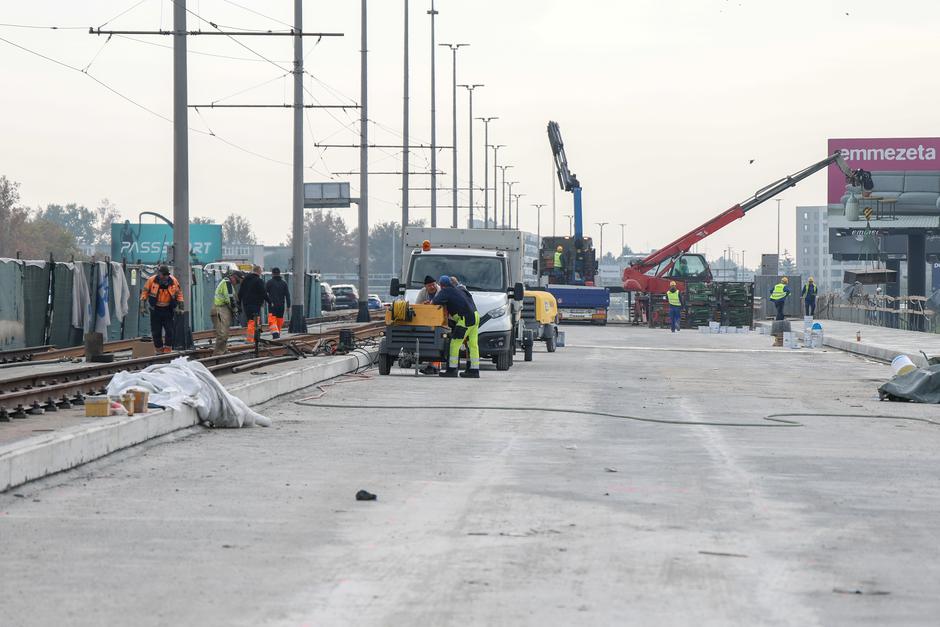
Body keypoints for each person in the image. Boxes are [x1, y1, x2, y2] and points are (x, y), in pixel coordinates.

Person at [432, 275, 480, 378]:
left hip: (465, 320)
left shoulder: (446, 291)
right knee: (472, 345)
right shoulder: (461, 289)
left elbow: (435, 302)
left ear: (441, 285)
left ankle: (452, 370)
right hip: (475, 317)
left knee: (454, 344)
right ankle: (474, 370)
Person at [140, 265, 184, 353]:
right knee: (156, 331)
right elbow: (144, 292)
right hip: (155, 310)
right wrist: (142, 306)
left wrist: (181, 307)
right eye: (163, 274)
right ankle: (159, 350)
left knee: (169, 330)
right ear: (159, 273)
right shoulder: (151, 280)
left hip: (168, 310)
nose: (165, 277)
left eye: (167, 275)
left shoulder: (173, 281)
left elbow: (179, 294)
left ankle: (167, 350)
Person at [211, 271, 243, 355]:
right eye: (237, 281)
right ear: (233, 277)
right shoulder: (227, 283)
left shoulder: (228, 284)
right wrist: (235, 309)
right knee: (222, 333)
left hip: (223, 309)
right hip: (220, 309)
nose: (237, 283)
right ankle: (218, 354)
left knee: (224, 332)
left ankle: (223, 350)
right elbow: (229, 298)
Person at [238, 265, 269, 343]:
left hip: (246, 304)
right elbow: (263, 293)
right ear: (259, 271)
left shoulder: (245, 280)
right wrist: (269, 301)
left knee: (250, 320)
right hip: (255, 304)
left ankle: (252, 338)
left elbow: (240, 293)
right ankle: (252, 339)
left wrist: (239, 303)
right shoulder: (259, 280)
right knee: (254, 321)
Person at [265, 267, 291, 339]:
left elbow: (264, 293)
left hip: (272, 305)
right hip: (281, 305)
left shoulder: (269, 282)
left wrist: (264, 302)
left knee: (272, 319)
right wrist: (288, 305)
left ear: (272, 274)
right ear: (279, 274)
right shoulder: (284, 283)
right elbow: (287, 295)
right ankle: (278, 333)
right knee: (279, 320)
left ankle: (275, 333)